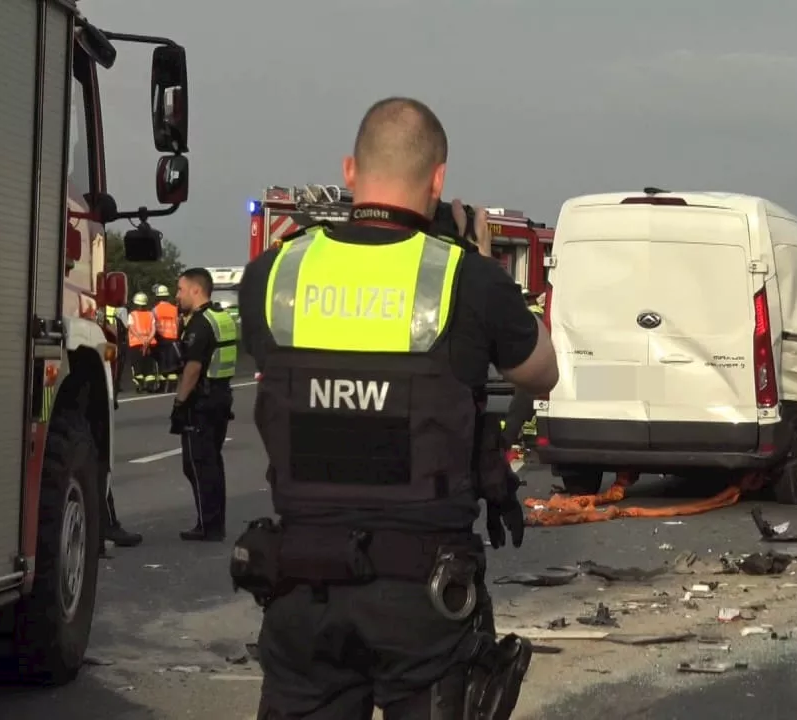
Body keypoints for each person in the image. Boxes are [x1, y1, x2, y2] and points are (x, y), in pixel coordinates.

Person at [235, 96, 557, 720]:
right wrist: (480, 261)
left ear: (350, 171)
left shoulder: (273, 275)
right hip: (422, 597)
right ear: (438, 179)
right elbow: (542, 373)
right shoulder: (465, 278)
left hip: (301, 585)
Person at [170, 268, 238, 541]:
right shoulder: (221, 317)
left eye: (181, 290)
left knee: (197, 464)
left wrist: (179, 403)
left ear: (196, 290)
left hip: (202, 401)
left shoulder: (199, 324)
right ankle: (213, 523)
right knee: (212, 462)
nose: (178, 295)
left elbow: (193, 368)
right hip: (221, 396)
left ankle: (208, 525)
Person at [500, 292, 543, 452]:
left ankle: (508, 440)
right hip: (531, 368)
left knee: (519, 409)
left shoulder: (525, 316)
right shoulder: (535, 315)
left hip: (523, 367)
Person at [152, 284, 182, 392]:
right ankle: (173, 387)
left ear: (158, 297)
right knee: (172, 365)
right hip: (173, 339)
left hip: (161, 339)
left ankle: (162, 387)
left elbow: (153, 325)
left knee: (162, 364)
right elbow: (179, 324)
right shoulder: (175, 309)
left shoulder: (155, 310)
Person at [127, 292, 158, 392]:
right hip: (150, 344)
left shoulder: (132, 315)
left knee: (137, 366)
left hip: (136, 344)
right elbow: (154, 329)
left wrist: (141, 340)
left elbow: (132, 329)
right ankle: (150, 384)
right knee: (149, 366)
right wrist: (148, 340)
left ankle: (139, 383)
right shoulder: (150, 314)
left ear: (136, 304)